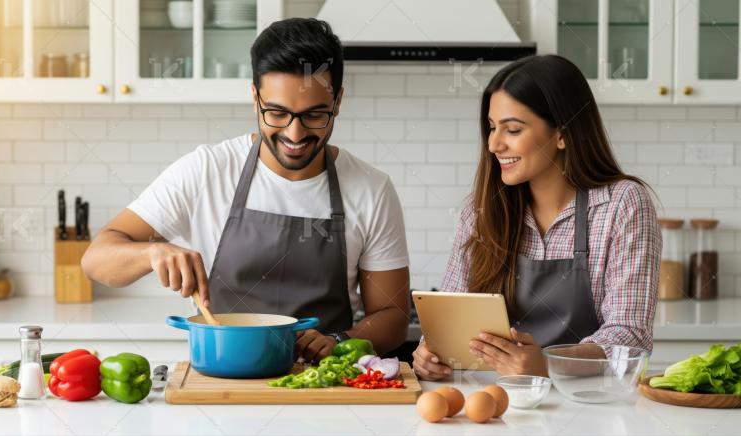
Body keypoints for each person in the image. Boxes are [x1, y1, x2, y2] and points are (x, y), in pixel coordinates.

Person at [82, 18, 410, 363]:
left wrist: (340, 340)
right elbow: (96, 260)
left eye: (315, 116)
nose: (295, 134)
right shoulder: (206, 170)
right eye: (277, 113)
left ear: (338, 101)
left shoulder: (371, 189)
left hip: (324, 387)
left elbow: (392, 317)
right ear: (255, 98)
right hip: (222, 380)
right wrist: (151, 253)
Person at [413, 55, 661, 379]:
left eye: (512, 129)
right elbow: (448, 314)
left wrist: (547, 365)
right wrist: (431, 352)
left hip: (589, 406)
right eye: (491, 128)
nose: (494, 144)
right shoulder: (480, 211)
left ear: (562, 134)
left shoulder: (622, 204)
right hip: (495, 403)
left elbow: (630, 335)